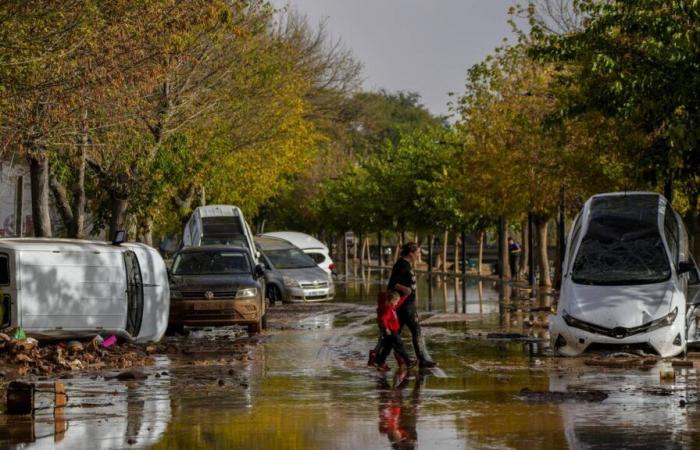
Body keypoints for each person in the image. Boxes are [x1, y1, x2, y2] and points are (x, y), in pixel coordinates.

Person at [388, 242, 437, 368]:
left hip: (405, 304)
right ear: (411, 254)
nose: (419, 255)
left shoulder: (404, 264)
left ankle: (381, 357)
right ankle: (422, 360)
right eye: (418, 253)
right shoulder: (402, 265)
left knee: (395, 333)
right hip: (405, 305)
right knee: (416, 330)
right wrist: (405, 289)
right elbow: (392, 283)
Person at [373, 290, 415, 371]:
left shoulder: (391, 307)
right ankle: (408, 362)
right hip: (391, 332)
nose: (397, 303)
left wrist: (406, 295)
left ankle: (380, 362)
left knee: (387, 348)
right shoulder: (388, 309)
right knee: (400, 345)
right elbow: (383, 319)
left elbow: (399, 303)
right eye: (396, 301)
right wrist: (386, 328)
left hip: (390, 332)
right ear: (392, 301)